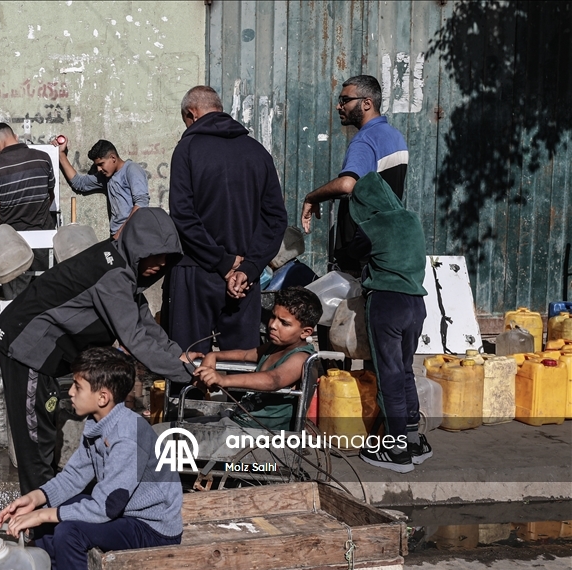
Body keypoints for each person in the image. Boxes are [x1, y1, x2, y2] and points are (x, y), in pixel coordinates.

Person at [0, 347, 182, 570]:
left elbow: (106, 507)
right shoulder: (99, 424)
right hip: (127, 514)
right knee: (56, 514)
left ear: (103, 396)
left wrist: (45, 515)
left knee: (69, 528)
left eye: (78, 386)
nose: (70, 391)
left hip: (153, 526)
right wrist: (35, 499)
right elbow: (73, 477)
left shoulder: (126, 435)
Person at [0, 207, 194, 494]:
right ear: (137, 246)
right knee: (35, 441)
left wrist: (184, 359)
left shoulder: (123, 266)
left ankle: (51, 503)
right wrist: (187, 373)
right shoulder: (113, 276)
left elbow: (146, 324)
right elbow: (135, 338)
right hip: (25, 345)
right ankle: (38, 524)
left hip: (42, 346)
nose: (161, 264)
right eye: (154, 255)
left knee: (45, 423)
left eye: (167, 257)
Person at [167, 85, 288, 354]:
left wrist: (222, 262)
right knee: (242, 363)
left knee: (189, 363)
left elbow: (183, 215)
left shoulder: (187, 149)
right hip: (245, 278)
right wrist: (249, 268)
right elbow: (276, 219)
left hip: (196, 272)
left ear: (192, 114)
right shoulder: (258, 152)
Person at [348, 172, 432, 473]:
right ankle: (412, 440)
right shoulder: (411, 219)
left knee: (389, 375)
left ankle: (395, 449)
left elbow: (349, 253)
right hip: (416, 305)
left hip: (387, 303)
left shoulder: (372, 226)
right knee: (405, 369)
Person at [300, 75, 409, 274]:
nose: (338, 106)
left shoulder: (365, 140)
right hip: (386, 246)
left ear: (367, 103)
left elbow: (347, 184)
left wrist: (311, 197)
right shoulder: (395, 136)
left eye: (345, 100)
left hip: (360, 253)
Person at [194, 287, 321, 431]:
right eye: (273, 317)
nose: (272, 325)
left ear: (305, 332)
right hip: (239, 419)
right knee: (176, 429)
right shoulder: (275, 346)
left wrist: (223, 380)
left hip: (259, 432)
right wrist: (213, 356)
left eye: (284, 323)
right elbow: (245, 355)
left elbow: (273, 379)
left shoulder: (301, 357)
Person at [0, 122, 56, 298]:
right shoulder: (43, 158)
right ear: (15, 136)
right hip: (43, 235)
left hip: (11, 243)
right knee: (44, 293)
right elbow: (50, 194)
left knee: (16, 300)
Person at [54, 137, 148, 237]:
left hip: (133, 235)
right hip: (117, 237)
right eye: (97, 165)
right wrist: (61, 154)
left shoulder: (131, 169)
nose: (99, 169)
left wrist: (120, 232)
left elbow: (141, 204)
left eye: (101, 164)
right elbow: (79, 183)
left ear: (113, 158)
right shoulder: (106, 177)